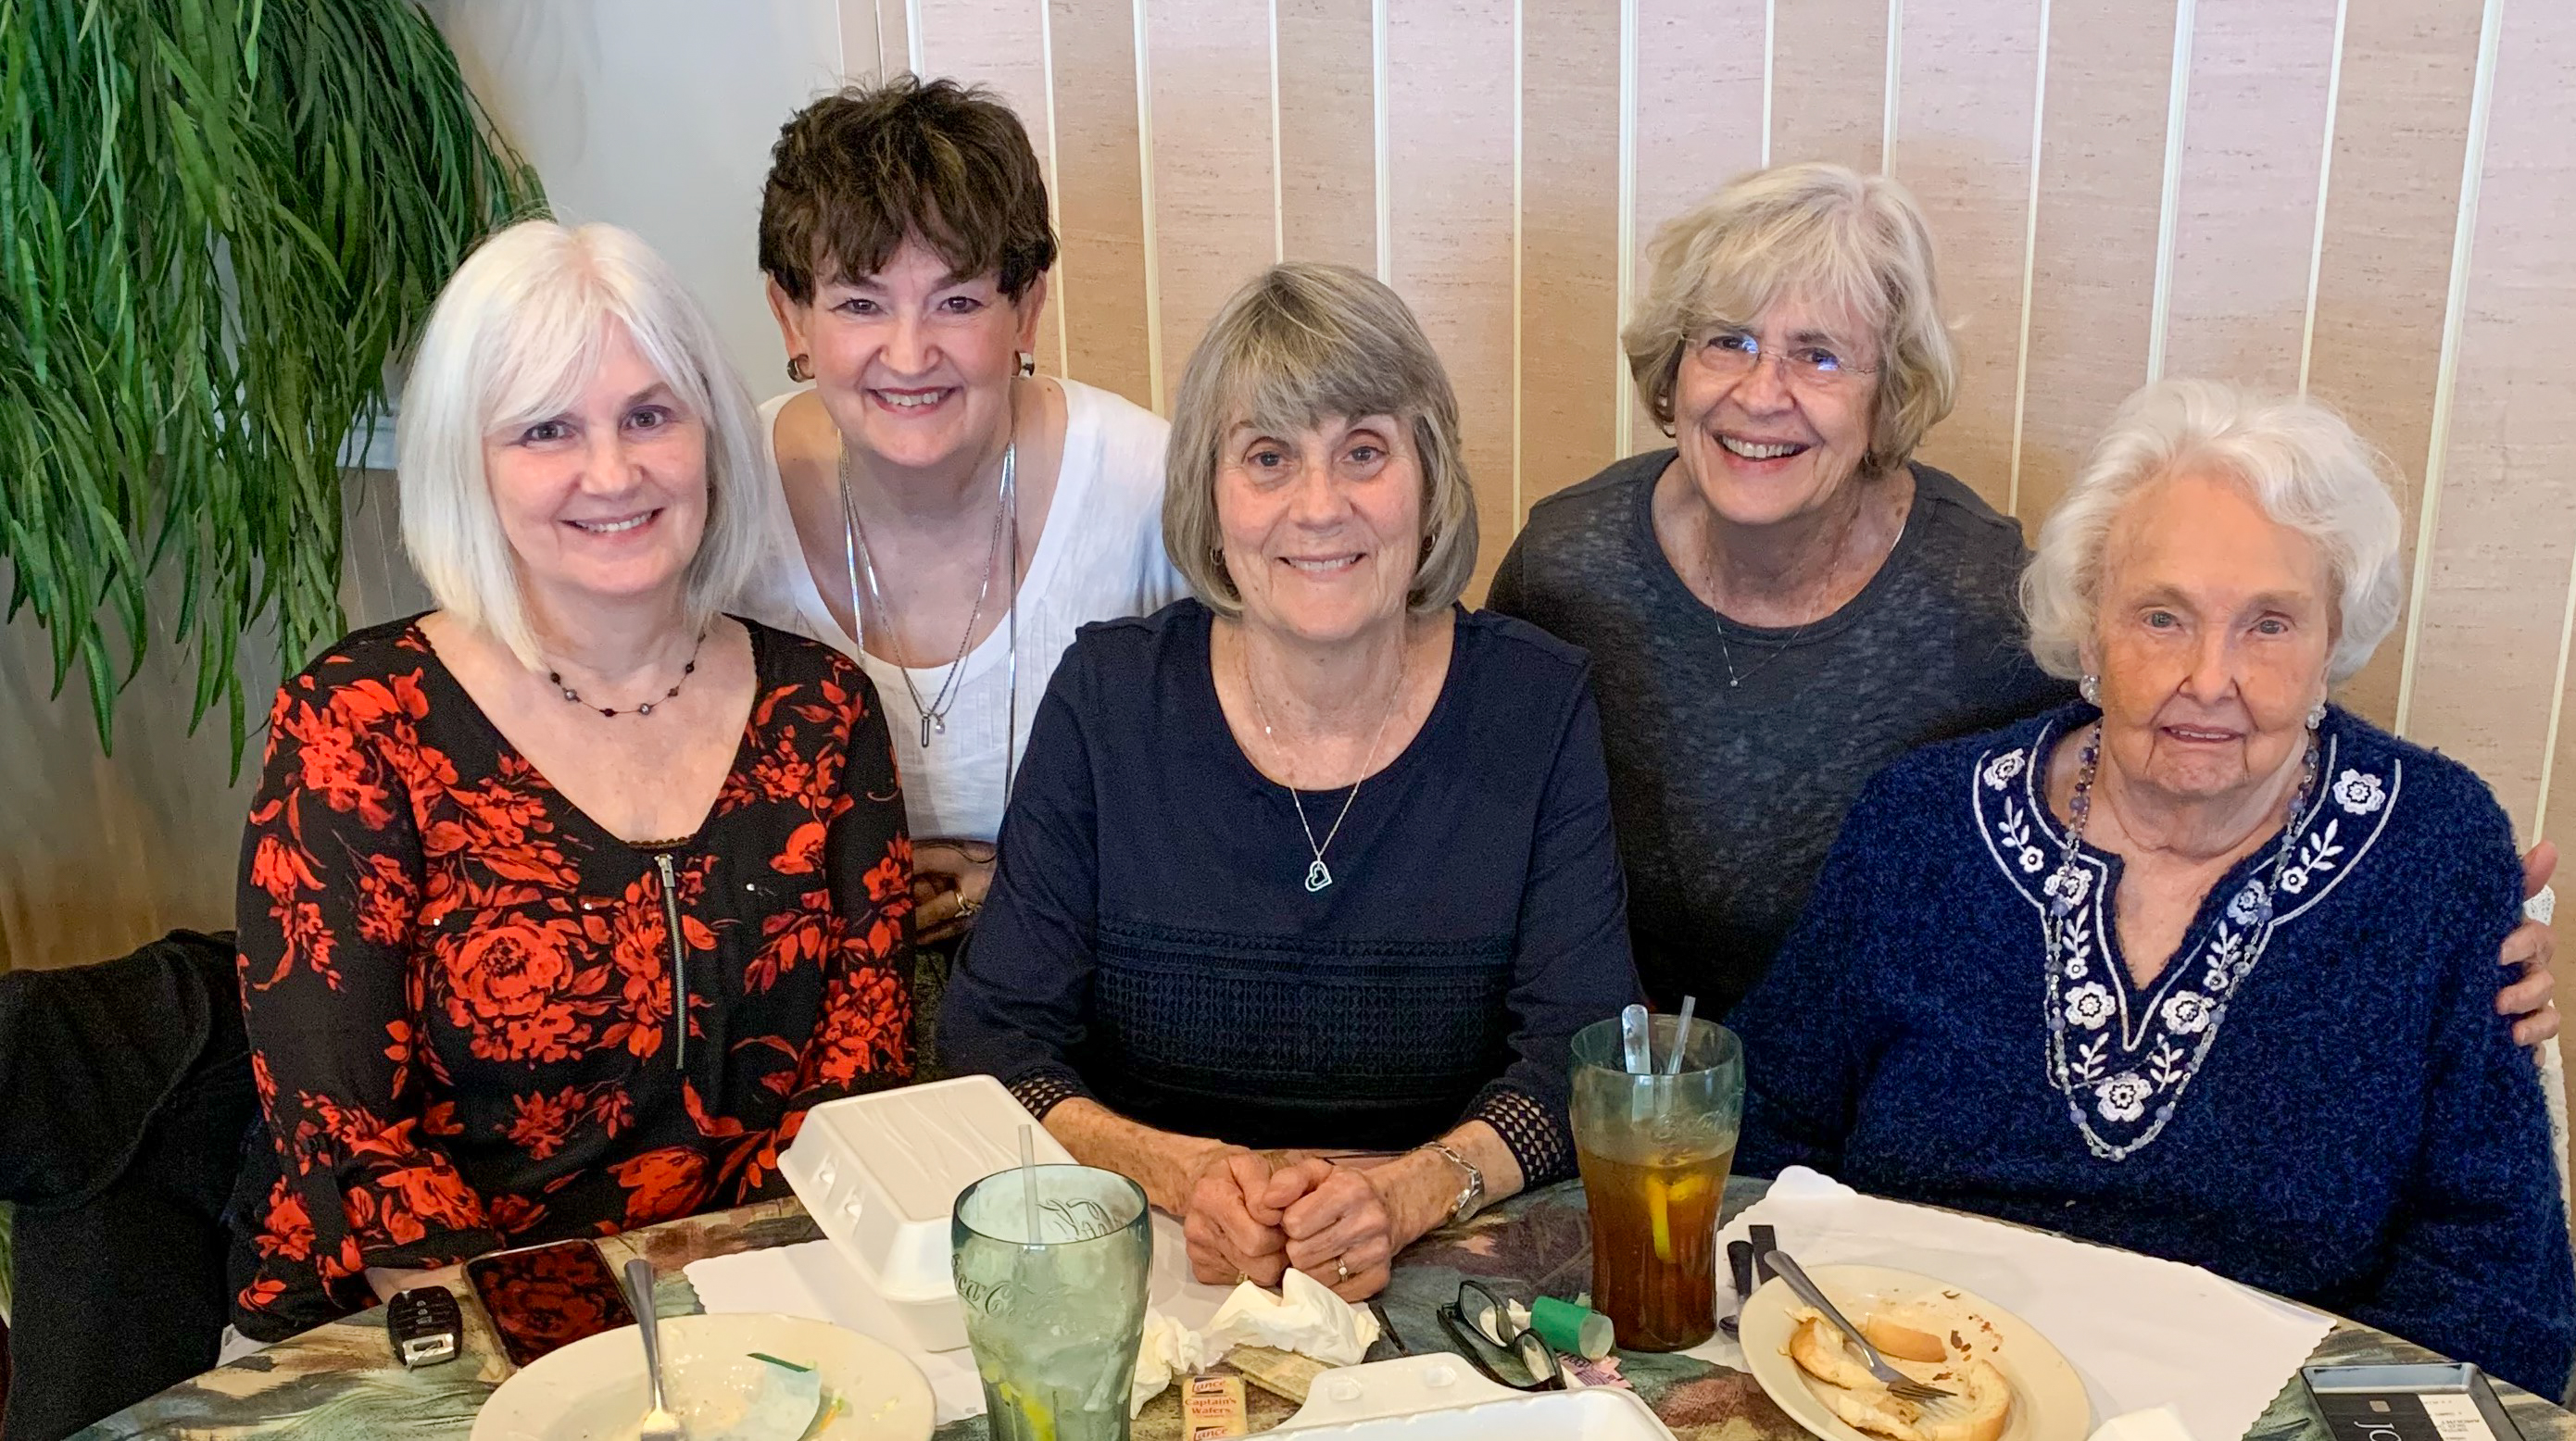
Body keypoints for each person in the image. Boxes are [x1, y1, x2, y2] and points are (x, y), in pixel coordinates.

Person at [1487, 164, 2561, 1040]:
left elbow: (2190, 730)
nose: (1761, 393)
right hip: (1614, 1077)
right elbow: (1480, 805)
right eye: (1728, 340)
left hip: (1879, 1068)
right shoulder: (1571, 563)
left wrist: (2440, 911)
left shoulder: (1979, 597)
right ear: (1671, 370)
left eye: (1820, 356)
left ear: (1889, 395)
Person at [1728, 381, 2576, 1397]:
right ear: (2089, 633)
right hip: (1904, 1393)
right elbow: (1758, 1135)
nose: (2210, 678)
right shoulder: (1923, 822)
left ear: (2330, 647)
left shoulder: (2435, 853)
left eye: (2269, 625)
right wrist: (1811, 1365)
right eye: (2162, 617)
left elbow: (2495, 1282)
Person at [228, 221, 915, 1341]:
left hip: (749, 1313)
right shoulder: (360, 718)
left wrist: (736, 1326)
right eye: (547, 429)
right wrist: (585, 1357)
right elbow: (347, 1136)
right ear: (470, 463)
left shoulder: (822, 710)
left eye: (649, 416)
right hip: (418, 1327)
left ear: (709, 434)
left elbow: (859, 1073)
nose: (613, 473)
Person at [939, 263, 1643, 1301]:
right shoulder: (1109, 699)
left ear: (1429, 478)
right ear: (1209, 496)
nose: (1319, 507)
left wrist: (1412, 1191)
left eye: (1364, 451)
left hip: (1444, 1278)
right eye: (1268, 457)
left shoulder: (1532, 706)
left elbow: (1585, 1059)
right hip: (1149, 1260)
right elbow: (991, 1041)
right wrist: (1176, 1172)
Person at [753, 78, 1185, 1009]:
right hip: (799, 1014)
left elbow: (1253, 799)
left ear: (1024, 311)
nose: (910, 355)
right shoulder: (712, 506)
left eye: (955, 302)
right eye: (860, 304)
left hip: (1093, 1005)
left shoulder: (1150, 485)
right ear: (791, 317)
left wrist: (1028, 890)